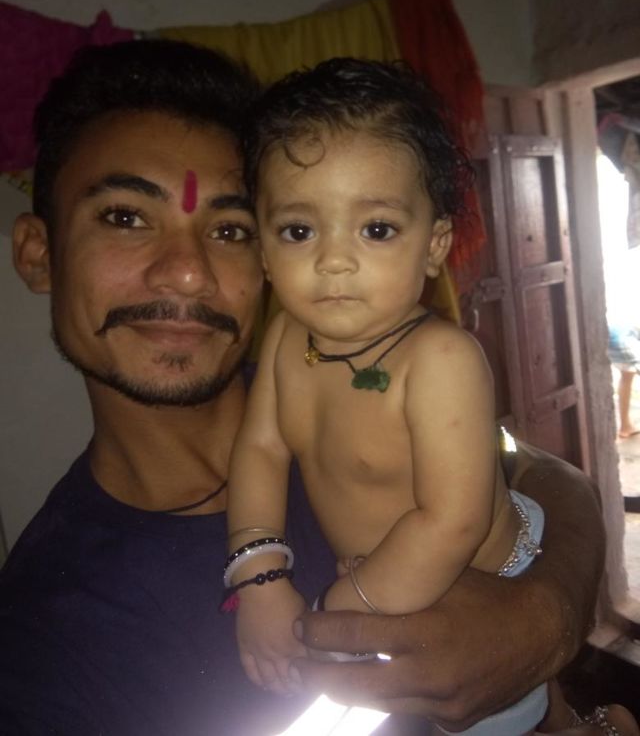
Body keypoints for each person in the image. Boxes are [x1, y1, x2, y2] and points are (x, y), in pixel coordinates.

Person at [0, 38, 620, 736]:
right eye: (125, 217)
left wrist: (548, 614)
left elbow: (542, 474)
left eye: (227, 227)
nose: (187, 271)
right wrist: (263, 580)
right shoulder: (42, 640)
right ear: (38, 253)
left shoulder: (396, 372)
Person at [225, 58, 638, 736]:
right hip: (391, 584)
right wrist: (260, 582)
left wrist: (342, 609)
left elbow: (451, 521)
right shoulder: (284, 339)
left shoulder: (442, 360)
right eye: (299, 230)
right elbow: (261, 451)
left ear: (434, 244)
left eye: (376, 229)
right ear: (265, 250)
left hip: (481, 578)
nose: (333, 260)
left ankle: (587, 725)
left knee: (509, 721)